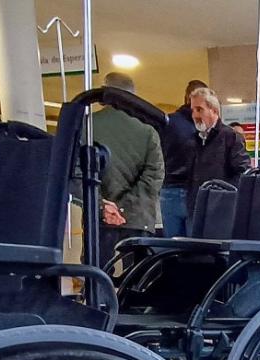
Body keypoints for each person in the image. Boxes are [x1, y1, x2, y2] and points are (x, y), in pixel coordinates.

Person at [90, 72, 164, 264]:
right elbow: (154, 175)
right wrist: (124, 208)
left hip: (99, 218)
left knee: (96, 276)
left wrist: (103, 205)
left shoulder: (86, 126)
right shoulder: (147, 130)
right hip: (137, 218)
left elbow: (77, 173)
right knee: (136, 279)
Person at [185, 86, 251, 220]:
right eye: (193, 110)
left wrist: (223, 199)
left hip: (222, 211)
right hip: (197, 210)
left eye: (199, 109)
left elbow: (242, 171)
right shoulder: (194, 139)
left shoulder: (231, 137)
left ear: (214, 110)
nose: (195, 115)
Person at [159, 79, 207, 237]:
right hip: (195, 192)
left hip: (169, 189)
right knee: (196, 249)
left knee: (172, 249)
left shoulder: (167, 122)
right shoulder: (204, 126)